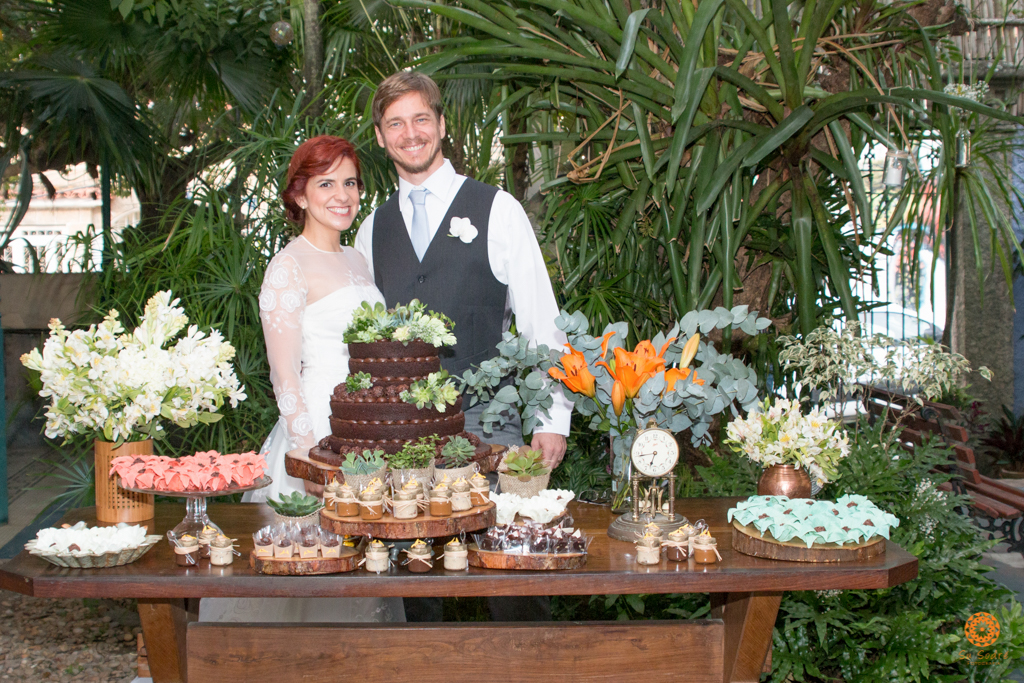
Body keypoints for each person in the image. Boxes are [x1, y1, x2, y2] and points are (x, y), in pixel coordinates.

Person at [354, 72, 572, 622]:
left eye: (420, 119)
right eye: (395, 123)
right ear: (380, 137)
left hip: (491, 423)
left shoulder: (498, 209)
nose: (411, 134)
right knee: (414, 578)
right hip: (401, 434)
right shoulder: (369, 230)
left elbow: (540, 321)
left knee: (511, 571)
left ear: (441, 125)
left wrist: (553, 418)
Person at [200, 136, 402, 624]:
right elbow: (283, 369)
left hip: (365, 431)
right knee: (305, 566)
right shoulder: (288, 266)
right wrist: (306, 452)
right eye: (326, 182)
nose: (342, 195)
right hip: (316, 430)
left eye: (350, 182)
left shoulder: (357, 259)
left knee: (356, 564)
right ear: (299, 194)